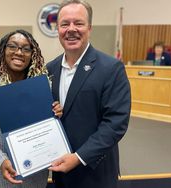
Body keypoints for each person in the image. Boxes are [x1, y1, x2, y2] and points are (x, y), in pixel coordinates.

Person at [46, 1, 131, 188]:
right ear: (58, 29)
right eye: (65, 24)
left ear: (90, 28)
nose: (71, 29)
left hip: (95, 172)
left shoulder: (111, 68)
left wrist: (79, 157)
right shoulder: (49, 69)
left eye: (78, 23)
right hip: (60, 172)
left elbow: (116, 123)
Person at [0, 29, 63, 188]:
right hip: (3, 171)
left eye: (25, 48)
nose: (19, 52)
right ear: (3, 50)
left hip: (36, 172)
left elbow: (50, 127)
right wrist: (1, 159)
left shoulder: (43, 88)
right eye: (13, 46)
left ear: (32, 54)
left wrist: (57, 114)